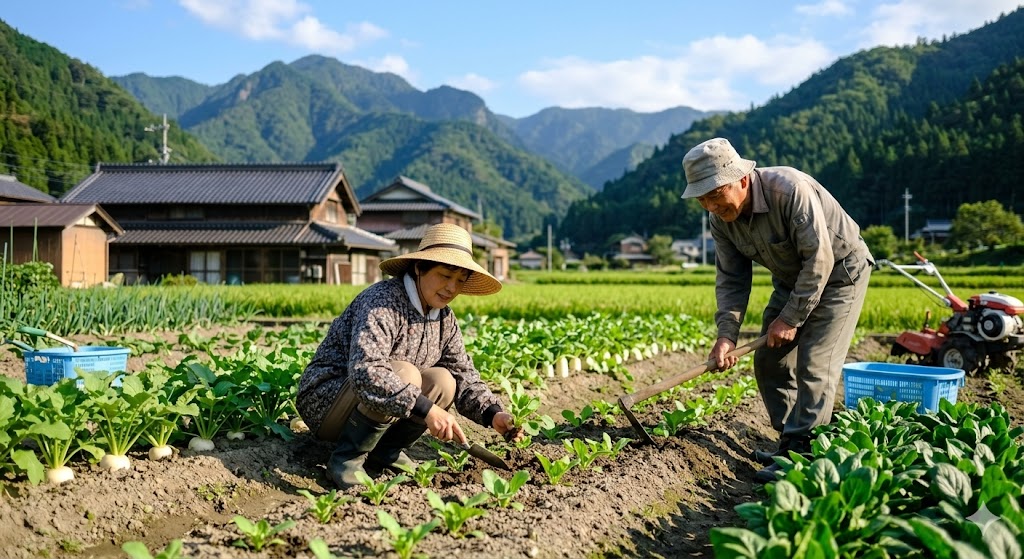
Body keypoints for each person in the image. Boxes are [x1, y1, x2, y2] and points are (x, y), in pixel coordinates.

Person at [679, 137, 873, 483]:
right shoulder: (720, 219)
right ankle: (790, 444)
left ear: (740, 179)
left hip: (841, 273)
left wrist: (791, 318)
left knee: (815, 362)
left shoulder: (790, 191)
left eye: (715, 194)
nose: (709, 205)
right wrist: (726, 336)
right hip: (792, 279)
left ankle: (805, 454)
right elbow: (731, 280)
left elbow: (820, 259)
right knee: (770, 359)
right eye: (702, 198)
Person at [296, 223, 521, 489]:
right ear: (419, 268)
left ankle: (385, 452)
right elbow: (367, 373)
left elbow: (464, 374)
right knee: (407, 374)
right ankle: (346, 459)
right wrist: (426, 409)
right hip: (327, 402)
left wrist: (493, 414)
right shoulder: (382, 301)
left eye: (460, 280)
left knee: (444, 381)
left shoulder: (444, 318)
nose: (452, 288)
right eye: (445, 275)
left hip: (376, 405)